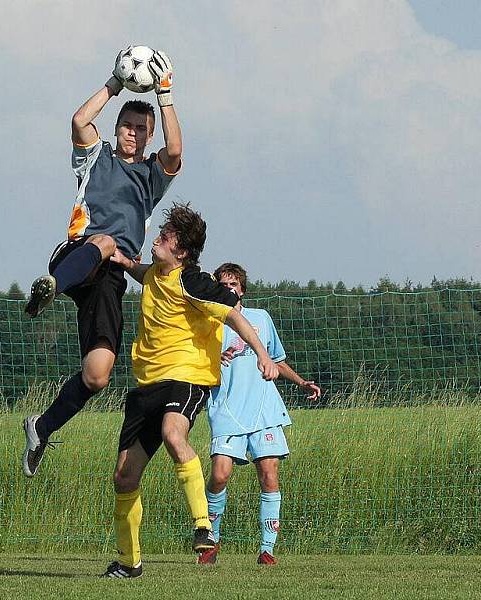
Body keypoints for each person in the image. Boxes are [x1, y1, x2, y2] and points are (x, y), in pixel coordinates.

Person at [22, 49, 181, 478]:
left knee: (98, 374)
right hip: (78, 254)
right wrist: (116, 82)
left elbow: (177, 151)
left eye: (141, 129)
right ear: (115, 128)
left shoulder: (150, 177)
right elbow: (78, 120)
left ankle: (40, 427)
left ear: (149, 136)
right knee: (106, 241)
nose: (134, 133)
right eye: (128, 126)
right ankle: (50, 290)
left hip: (110, 278)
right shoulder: (98, 158)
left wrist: (165, 97)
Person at [101, 204, 279, 578]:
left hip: (187, 376)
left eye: (164, 238)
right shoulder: (154, 274)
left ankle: (203, 526)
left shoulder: (193, 282)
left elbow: (233, 315)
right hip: (147, 383)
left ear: (181, 251)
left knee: (172, 432)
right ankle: (128, 562)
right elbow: (143, 273)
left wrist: (264, 355)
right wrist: (118, 258)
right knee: (124, 476)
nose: (156, 240)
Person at [196, 262, 321, 566]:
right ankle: (210, 539)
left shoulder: (261, 319)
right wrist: (215, 362)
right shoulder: (209, 322)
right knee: (220, 474)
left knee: (269, 475)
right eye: (223, 284)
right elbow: (196, 365)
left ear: (242, 289)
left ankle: (267, 550)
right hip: (227, 410)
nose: (230, 288)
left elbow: (276, 360)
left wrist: (301, 382)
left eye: (234, 284)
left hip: (264, 410)